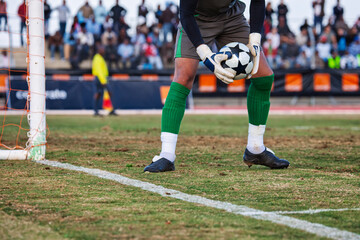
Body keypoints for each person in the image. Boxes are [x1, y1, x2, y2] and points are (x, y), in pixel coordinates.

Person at [144, 0, 290, 173]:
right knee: (184, 77)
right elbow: (186, 14)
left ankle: (255, 149)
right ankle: (166, 155)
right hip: (198, 19)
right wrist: (205, 54)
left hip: (232, 17)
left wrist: (255, 39)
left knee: (264, 76)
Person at [92, 46, 117, 116]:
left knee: (99, 94)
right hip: (100, 78)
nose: (104, 51)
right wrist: (103, 81)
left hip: (101, 78)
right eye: (102, 49)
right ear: (99, 50)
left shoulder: (100, 58)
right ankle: (97, 111)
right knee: (101, 94)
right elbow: (99, 70)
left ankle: (98, 111)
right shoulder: (97, 58)